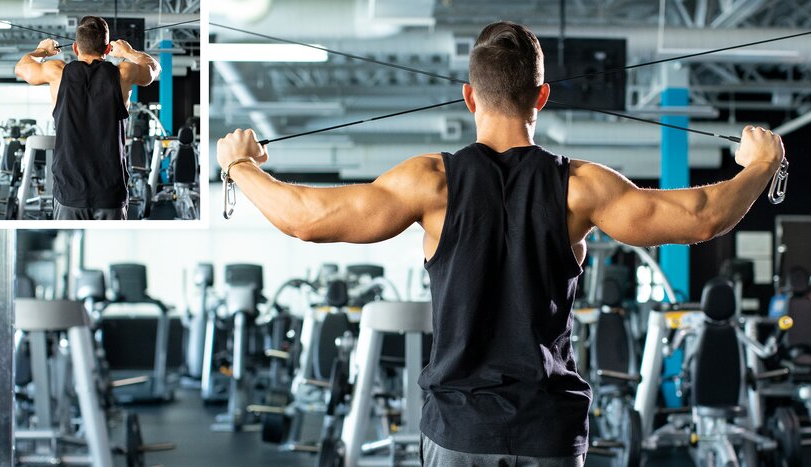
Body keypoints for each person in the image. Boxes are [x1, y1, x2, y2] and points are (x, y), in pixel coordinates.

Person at [216, 21, 784, 467]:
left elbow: (307, 220)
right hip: (548, 432)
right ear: (542, 96)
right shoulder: (580, 188)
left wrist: (240, 166)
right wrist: (761, 164)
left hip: (460, 431)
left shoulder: (430, 182)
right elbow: (703, 217)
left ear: (469, 96)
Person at [15, 16, 161, 220]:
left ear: (75, 48)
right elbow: (154, 68)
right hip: (110, 193)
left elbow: (21, 68)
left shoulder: (57, 72)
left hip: (70, 194)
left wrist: (42, 50)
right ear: (108, 49)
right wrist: (128, 52)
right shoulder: (123, 72)